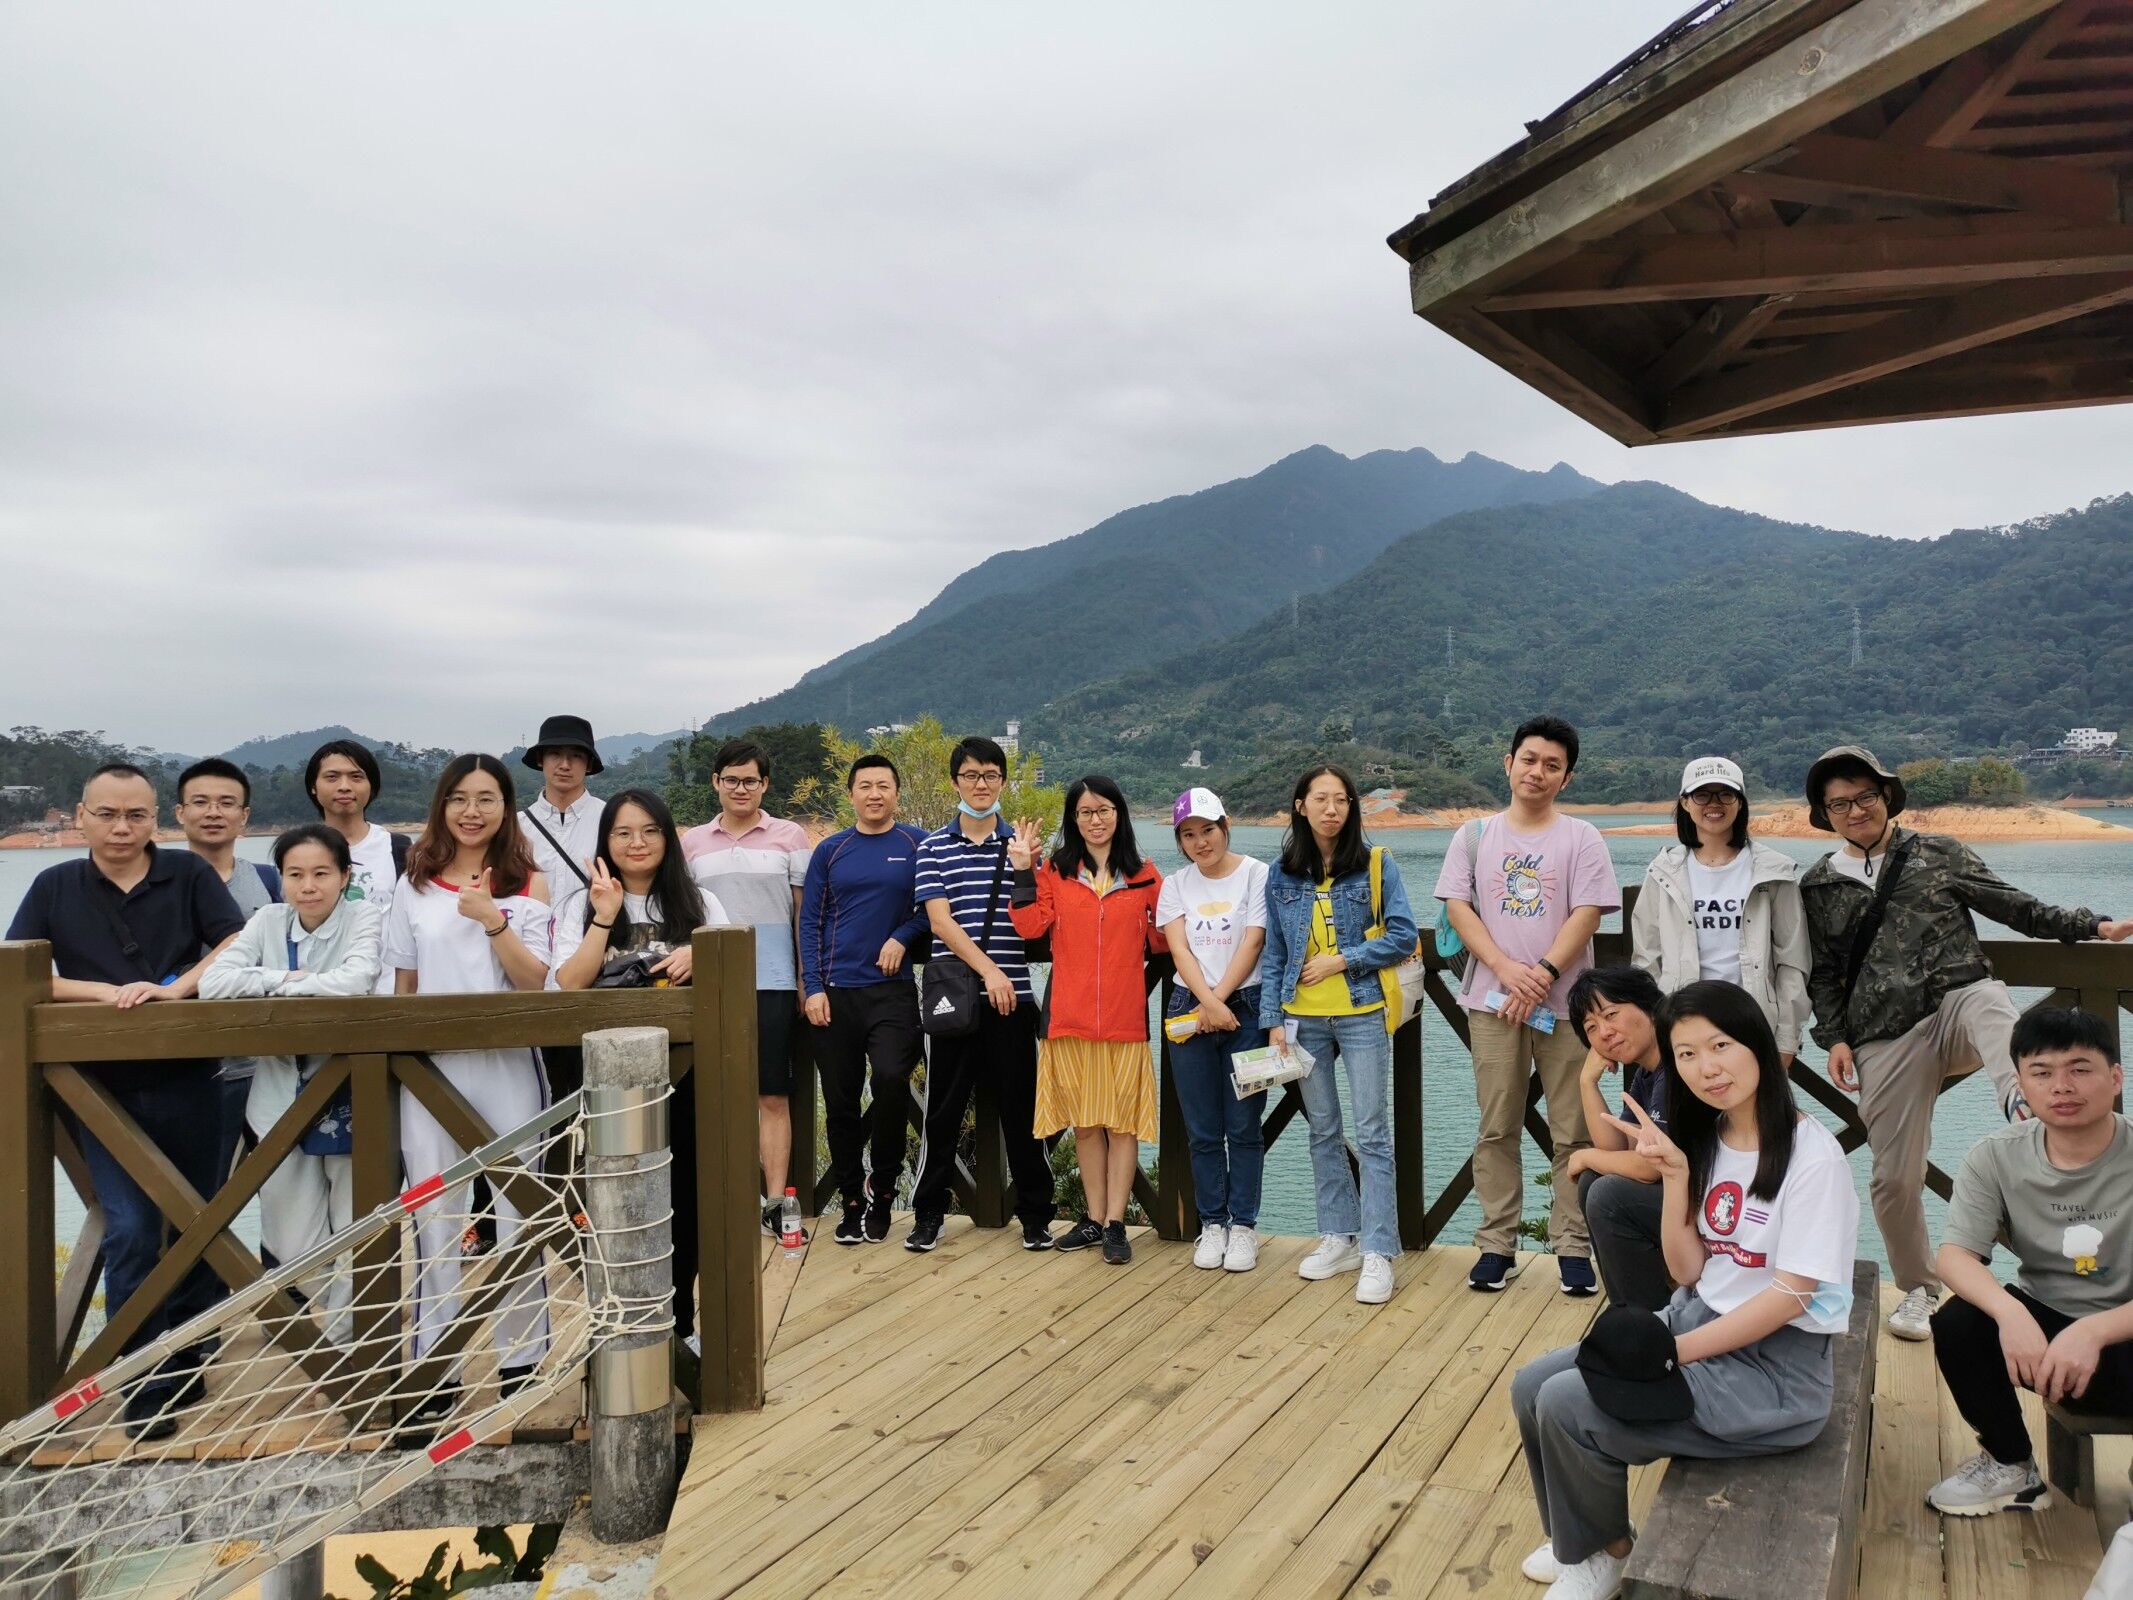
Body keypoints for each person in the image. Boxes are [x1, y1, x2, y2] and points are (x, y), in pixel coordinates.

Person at [1511, 981, 1860, 1600]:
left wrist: (1672, 1355)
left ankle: (1601, 1551)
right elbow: (1690, 1269)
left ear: (1756, 1043)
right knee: (1531, 1384)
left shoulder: (1813, 1158)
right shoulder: (1712, 1138)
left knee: (1566, 1403)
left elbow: (1791, 1296)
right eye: (1688, 1055)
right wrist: (1675, 1176)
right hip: (1698, 1317)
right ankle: (1586, 1538)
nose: (1706, 1068)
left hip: (1775, 1373)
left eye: (1720, 1046)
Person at [1798, 744, 2132, 1342]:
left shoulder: (1938, 852)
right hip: (1884, 1033)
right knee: (1894, 1177)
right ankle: (1919, 1289)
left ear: (1886, 797)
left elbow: (2013, 905)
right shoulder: (1818, 884)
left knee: (1986, 997)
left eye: (1865, 796)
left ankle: (2023, 1103)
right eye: (1840, 803)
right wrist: (1835, 1037)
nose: (1855, 810)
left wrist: (2092, 925)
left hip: (1958, 1006)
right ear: (1825, 814)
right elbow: (1823, 971)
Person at [3, 764, 244, 1437]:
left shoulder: (188, 874)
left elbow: (236, 941)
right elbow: (18, 971)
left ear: (155, 821)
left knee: (197, 1222)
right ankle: (142, 1382)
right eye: (107, 814)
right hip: (96, 1088)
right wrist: (103, 993)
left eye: (136, 815)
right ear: (81, 816)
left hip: (190, 1078)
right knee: (132, 1229)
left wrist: (176, 988)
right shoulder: (55, 885)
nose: (121, 827)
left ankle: (188, 1351)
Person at [383, 754, 553, 1427]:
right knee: (434, 1216)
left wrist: (491, 917)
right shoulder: (415, 883)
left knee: (518, 1213)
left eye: (486, 798)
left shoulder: (528, 881)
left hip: (509, 1065)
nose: (472, 811)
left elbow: (536, 982)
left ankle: (522, 1361)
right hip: (431, 1070)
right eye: (459, 798)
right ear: (441, 806)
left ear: (506, 807)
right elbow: (404, 982)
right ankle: (436, 1366)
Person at [1436, 715, 1620, 1296]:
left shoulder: (1582, 838)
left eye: (1552, 765)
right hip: (1492, 1003)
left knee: (1574, 1130)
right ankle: (1497, 1244)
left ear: (1566, 778)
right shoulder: (1473, 836)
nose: (1538, 772)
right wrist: (1507, 969)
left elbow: (1587, 913)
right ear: (1509, 763)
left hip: (1568, 1007)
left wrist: (1541, 974)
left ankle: (1573, 1246)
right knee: (1496, 1127)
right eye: (1530, 759)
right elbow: (1459, 908)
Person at [1925, 1007, 2133, 1518]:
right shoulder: (1996, 1156)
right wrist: (2011, 1313)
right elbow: (1954, 1255)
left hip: (2125, 1332)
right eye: (2041, 1073)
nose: (2061, 1086)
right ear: (2020, 1086)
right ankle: (2012, 1464)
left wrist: (2095, 1331)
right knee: (1959, 1322)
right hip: (2042, 1337)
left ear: (2115, 1078)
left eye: (2080, 1069)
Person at [549, 788, 728, 1352]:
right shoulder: (579, 904)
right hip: (603, 1084)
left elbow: (734, 975)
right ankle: (617, 1324)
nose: (637, 843)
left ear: (668, 838)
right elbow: (568, 984)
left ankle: (681, 1324)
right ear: (605, 840)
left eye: (650, 830)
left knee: (685, 1198)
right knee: (608, 1202)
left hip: (687, 1078)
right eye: (623, 832)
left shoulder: (701, 903)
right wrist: (604, 917)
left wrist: (703, 951)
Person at [201, 824, 385, 1343]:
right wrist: (288, 979)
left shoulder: (364, 916)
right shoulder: (267, 921)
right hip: (278, 1098)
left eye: (321, 873)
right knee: (290, 1241)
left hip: (354, 1092)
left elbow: (357, 980)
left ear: (344, 876)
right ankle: (349, 1318)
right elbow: (214, 982)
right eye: (295, 874)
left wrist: (265, 985)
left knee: (358, 1224)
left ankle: (350, 1350)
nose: (308, 886)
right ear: (280, 878)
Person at [1261, 763, 1418, 1307]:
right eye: (1320, 799)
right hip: (1302, 1020)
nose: (1332, 809)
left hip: (1361, 1013)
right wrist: (1273, 1019)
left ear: (1352, 808)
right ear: (1300, 806)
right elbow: (1275, 951)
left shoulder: (1375, 863)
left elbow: (1403, 935)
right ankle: (1339, 1236)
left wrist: (1342, 960)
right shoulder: (1282, 873)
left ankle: (1379, 1249)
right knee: (1323, 1131)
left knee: (1372, 1133)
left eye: (1342, 800)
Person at [905, 736, 1057, 1254]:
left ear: (1003, 782)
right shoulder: (932, 847)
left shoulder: (1022, 845)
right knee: (941, 1112)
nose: (981, 784)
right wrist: (990, 971)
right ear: (955, 782)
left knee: (1023, 1111)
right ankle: (929, 1213)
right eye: (971, 775)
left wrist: (1027, 866)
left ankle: (1036, 1215)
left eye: (991, 775)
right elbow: (940, 923)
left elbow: (1036, 920)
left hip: (1014, 1001)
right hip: (958, 998)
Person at [1008, 775, 1164, 1266]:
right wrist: (1023, 870)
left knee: (1123, 1126)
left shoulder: (1144, 875)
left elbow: (1165, 938)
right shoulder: (1056, 870)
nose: (1095, 821)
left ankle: (1117, 1223)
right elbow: (1029, 925)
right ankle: (1095, 1219)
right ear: (1073, 819)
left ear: (1119, 814)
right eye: (1085, 813)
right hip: (1069, 1019)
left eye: (1104, 810)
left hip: (1124, 1021)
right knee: (1085, 1124)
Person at [680, 738, 813, 1239]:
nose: (741, 788)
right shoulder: (693, 843)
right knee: (709, 1094)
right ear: (715, 782)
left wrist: (805, 979)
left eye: (750, 780)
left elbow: (803, 914)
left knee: (772, 1095)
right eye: (731, 780)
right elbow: (681, 915)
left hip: (773, 982)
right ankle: (721, 1201)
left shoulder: (790, 836)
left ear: (765, 784)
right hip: (708, 985)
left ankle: (775, 1201)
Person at [798, 755, 928, 1246]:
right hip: (835, 993)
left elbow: (934, 908)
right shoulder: (831, 850)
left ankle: (885, 1189)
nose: (875, 794)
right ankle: (852, 1199)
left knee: (892, 1081)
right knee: (841, 1101)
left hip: (892, 992)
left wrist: (902, 936)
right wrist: (812, 987)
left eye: (884, 786)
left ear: (897, 793)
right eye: (865, 786)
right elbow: (810, 922)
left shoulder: (917, 844)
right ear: (851, 793)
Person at [1630, 756, 1809, 1064]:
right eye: (1702, 795)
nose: (1714, 804)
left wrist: (1787, 1040)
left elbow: (1792, 960)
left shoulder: (1773, 871)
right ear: (1685, 802)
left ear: (1740, 802)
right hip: (1682, 1024)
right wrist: (1655, 1025)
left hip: (1752, 1022)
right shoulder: (1663, 871)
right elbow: (1646, 960)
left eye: (1726, 794)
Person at [1156, 787, 1270, 1272]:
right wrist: (1208, 1003)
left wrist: (1219, 1001)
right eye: (1189, 835)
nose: (1200, 842)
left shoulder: (1257, 874)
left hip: (1247, 1008)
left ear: (1226, 827)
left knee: (1244, 1126)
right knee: (1201, 1129)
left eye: (1208, 830)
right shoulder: (1175, 885)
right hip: (1190, 1009)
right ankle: (1213, 1224)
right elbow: (1179, 950)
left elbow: (1254, 941)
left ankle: (1243, 1226)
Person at [174, 757, 285, 1185]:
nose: (213, 812)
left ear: (245, 815)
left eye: (226, 803)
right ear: (180, 812)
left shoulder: (271, 881)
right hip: (183, 1064)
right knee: (192, 1192)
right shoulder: (158, 883)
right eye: (200, 802)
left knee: (278, 1189)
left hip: (262, 1064)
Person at [1562, 966, 1673, 1314]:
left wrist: (1584, 1156)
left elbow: (1648, 1168)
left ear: (1648, 1005)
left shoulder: (1676, 1065)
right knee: (1595, 1181)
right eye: (1591, 1028)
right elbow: (1616, 1151)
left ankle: (1649, 1320)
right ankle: (1628, 1310)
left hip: (1720, 1204)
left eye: (1611, 1015)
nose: (1605, 1033)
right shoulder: (1647, 1072)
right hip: (1686, 1196)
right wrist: (1587, 1082)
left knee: (1608, 1195)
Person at [305, 736, 409, 930]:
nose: (344, 786)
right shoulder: (298, 850)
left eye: (356, 777)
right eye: (332, 777)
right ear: (313, 787)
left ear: (371, 786)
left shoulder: (397, 848)